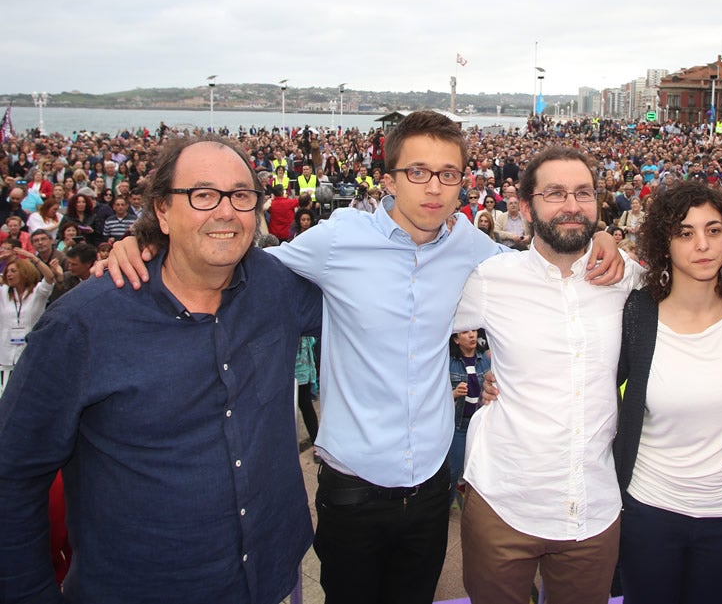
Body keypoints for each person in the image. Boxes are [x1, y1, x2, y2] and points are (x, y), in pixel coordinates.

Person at [103, 111, 625, 604]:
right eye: (418, 172)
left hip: (428, 487)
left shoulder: (470, 246)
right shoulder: (336, 239)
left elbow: (539, 270)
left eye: (448, 174)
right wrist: (147, 243)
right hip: (352, 488)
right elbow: (239, 267)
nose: (434, 187)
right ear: (389, 178)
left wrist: (600, 237)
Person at [0, 136, 323, 603]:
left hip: (274, 575)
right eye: (203, 194)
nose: (226, 211)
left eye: (241, 195)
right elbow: (14, 473)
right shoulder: (82, 324)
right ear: (162, 211)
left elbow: (373, 302)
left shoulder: (277, 287)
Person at [455, 147, 642, 604]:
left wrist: (614, 242)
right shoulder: (490, 278)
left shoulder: (627, 277)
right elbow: (415, 332)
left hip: (593, 509)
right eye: (555, 193)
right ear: (525, 207)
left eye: (583, 193)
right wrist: (477, 383)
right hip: (503, 499)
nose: (572, 205)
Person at [615, 181, 722, 604]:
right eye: (685, 232)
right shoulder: (638, 314)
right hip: (651, 511)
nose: (702, 244)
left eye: (713, 230)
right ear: (664, 241)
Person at [0, 246, 56, 399]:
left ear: (24, 272)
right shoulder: (3, 292)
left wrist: (33, 258)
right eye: (7, 271)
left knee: (27, 397)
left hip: (30, 353)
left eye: (13, 271)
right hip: (5, 355)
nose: (9, 274)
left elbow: (50, 278)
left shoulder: (38, 292)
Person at [448, 329, 489, 506]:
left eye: (473, 331)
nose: (472, 335)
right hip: (459, 426)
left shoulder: (485, 359)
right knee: (453, 470)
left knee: (480, 469)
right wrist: (454, 393)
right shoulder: (450, 363)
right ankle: (446, 506)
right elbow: (436, 397)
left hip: (482, 424)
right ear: (456, 340)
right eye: (465, 332)